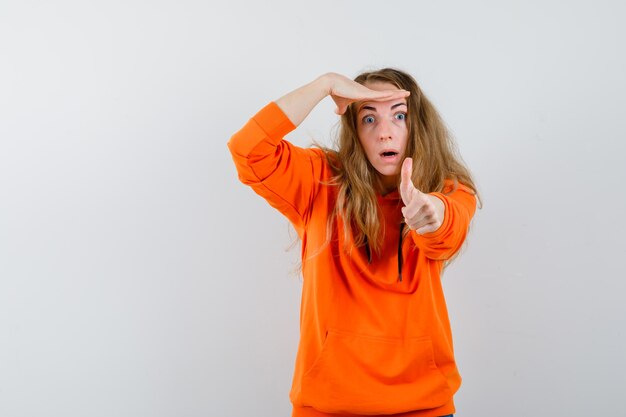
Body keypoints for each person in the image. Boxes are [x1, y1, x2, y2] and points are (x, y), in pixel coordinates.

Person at [227, 68, 480, 417]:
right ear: (355, 131)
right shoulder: (320, 181)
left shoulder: (450, 191)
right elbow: (247, 150)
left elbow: (445, 227)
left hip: (424, 408)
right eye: (369, 118)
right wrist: (324, 85)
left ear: (417, 127)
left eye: (399, 116)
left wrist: (430, 213)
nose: (385, 132)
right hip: (328, 407)